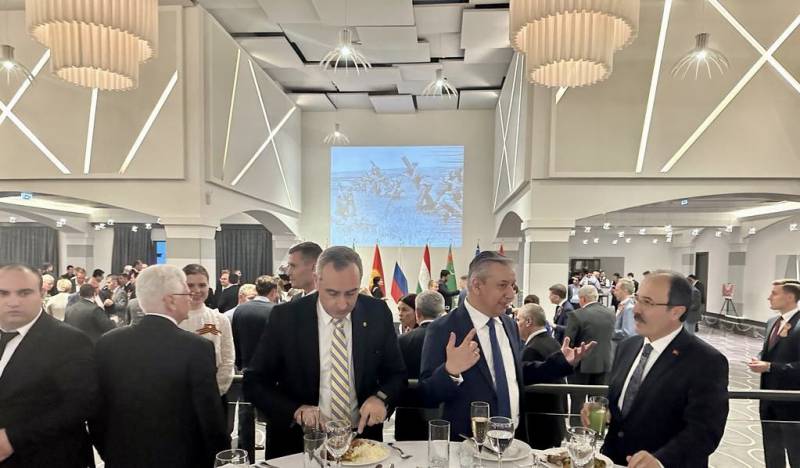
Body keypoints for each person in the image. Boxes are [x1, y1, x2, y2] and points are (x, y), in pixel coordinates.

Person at [244, 246, 406, 458]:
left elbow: (397, 374)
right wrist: (296, 410)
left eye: (351, 293)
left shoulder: (377, 313)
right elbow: (254, 382)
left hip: (361, 443)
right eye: (332, 293)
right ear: (317, 280)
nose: (343, 304)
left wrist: (380, 399)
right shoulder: (286, 317)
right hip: (298, 444)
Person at [419, 251, 595, 439]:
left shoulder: (509, 324)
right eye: (502, 285)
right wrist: (450, 371)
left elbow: (515, 372)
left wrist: (561, 363)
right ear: (476, 285)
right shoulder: (443, 329)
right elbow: (427, 395)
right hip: (466, 444)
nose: (511, 294)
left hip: (514, 441)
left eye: (512, 285)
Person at [91, 264, 230, 468]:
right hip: (183, 459)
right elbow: (209, 416)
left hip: (122, 456)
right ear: (171, 300)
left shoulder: (107, 342)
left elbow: (96, 411)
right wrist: (220, 456)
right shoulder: (196, 348)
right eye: (186, 292)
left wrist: (110, 452)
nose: (190, 297)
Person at [588, 270, 729, 468]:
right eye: (637, 299)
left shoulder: (706, 361)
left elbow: (705, 431)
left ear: (676, 311)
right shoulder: (627, 346)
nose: (636, 309)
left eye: (647, 302)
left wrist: (661, 459)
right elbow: (624, 405)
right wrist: (605, 413)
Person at [0, 264, 97, 467]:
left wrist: (13, 438)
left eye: (24, 293)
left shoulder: (69, 340)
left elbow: (81, 405)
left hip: (46, 457)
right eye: (3, 293)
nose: (13, 301)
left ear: (42, 294)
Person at [748, 279, 800, 468]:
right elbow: (769, 351)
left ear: (790, 297)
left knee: (796, 453)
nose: (769, 297)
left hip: (792, 401)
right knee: (772, 452)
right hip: (768, 399)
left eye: (774, 293)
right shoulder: (772, 322)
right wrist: (759, 358)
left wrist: (771, 367)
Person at [516, 303, 567, 450]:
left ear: (528, 321)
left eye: (518, 319)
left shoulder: (532, 349)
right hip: (554, 420)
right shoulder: (552, 342)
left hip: (539, 426)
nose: (516, 324)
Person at [180, 264, 235, 397]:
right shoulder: (172, 319)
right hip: (177, 394)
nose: (197, 290)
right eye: (190, 285)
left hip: (212, 393)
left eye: (202, 285)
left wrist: (215, 391)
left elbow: (227, 359)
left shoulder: (220, 320)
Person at [566, 286, 615, 385]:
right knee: (599, 394)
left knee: (578, 394)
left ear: (582, 299)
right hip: (605, 363)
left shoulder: (576, 315)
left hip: (582, 365)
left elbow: (569, 341)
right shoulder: (611, 313)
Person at [232, 276, 278, 371]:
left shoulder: (240, 309)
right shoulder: (276, 311)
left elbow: (235, 339)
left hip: (245, 366)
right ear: (273, 291)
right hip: (269, 367)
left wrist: (238, 364)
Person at [399, 290, 443, 379]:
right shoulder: (452, 337)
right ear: (441, 312)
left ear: (417, 312)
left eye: (404, 310)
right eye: (399, 309)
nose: (400, 314)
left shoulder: (401, 340)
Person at [612, 278, 636, 344]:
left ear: (625, 291)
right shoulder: (623, 305)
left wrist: (609, 331)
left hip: (621, 346)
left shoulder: (629, 308)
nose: (614, 292)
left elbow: (628, 333)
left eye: (617, 290)